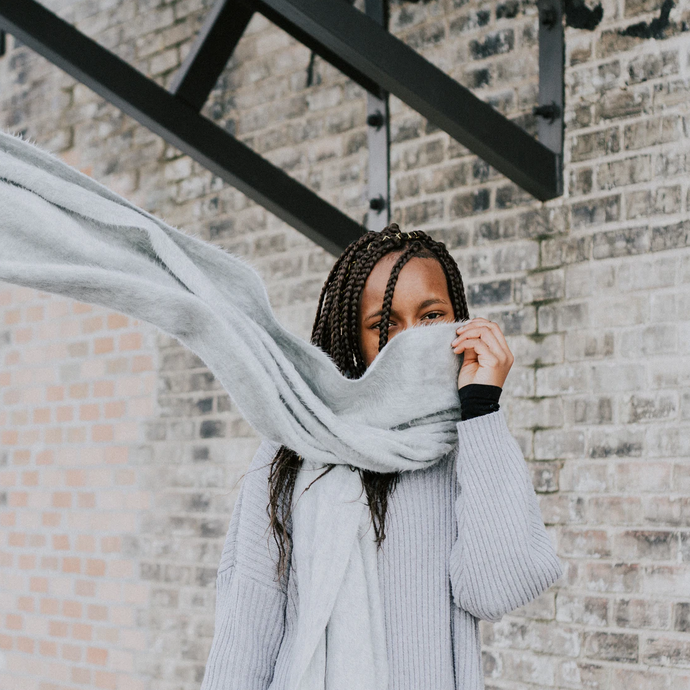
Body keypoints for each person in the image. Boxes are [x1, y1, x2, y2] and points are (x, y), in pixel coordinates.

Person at [199, 224, 563, 690]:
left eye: (431, 316)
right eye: (383, 324)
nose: (410, 340)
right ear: (354, 335)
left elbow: (497, 590)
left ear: (460, 321)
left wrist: (481, 412)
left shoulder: (467, 445)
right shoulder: (297, 443)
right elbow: (247, 621)